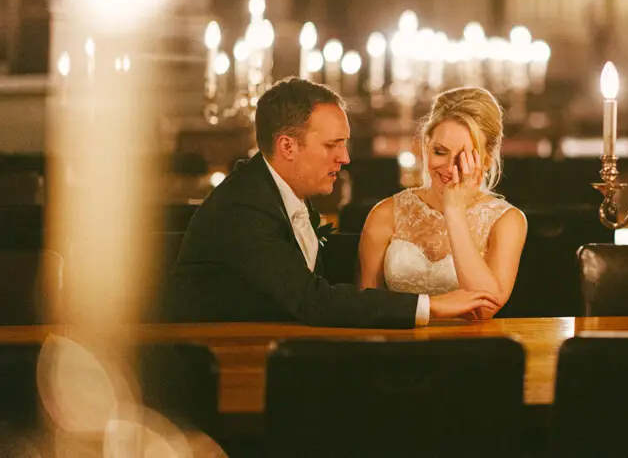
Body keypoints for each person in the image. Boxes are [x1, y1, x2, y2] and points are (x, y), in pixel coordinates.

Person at [163, 78, 500, 327]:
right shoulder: (243, 207)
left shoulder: (284, 195)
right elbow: (312, 300)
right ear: (287, 147)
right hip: (214, 368)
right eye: (332, 145)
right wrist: (433, 305)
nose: (345, 157)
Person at [359, 87, 527, 319]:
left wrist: (454, 211)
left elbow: (485, 308)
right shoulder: (385, 213)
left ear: (487, 159)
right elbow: (365, 308)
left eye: (463, 157)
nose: (449, 168)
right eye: (440, 152)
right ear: (426, 146)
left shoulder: (508, 221)